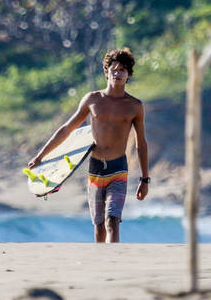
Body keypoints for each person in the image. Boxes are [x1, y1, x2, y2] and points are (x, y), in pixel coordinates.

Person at [28, 47, 150, 243]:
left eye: (122, 70)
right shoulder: (92, 100)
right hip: (95, 170)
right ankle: (102, 265)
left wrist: (145, 180)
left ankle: (113, 260)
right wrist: (41, 156)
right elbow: (67, 129)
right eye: (114, 69)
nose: (117, 73)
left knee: (112, 221)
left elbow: (141, 144)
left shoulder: (134, 106)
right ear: (106, 72)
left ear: (129, 75)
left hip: (119, 169)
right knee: (99, 225)